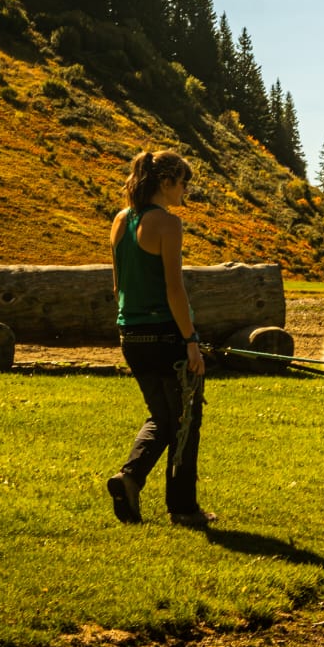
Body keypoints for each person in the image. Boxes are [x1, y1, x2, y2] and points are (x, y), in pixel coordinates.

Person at [105, 149, 215, 527]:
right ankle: (183, 508)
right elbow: (174, 289)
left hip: (131, 335)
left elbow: (118, 285)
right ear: (166, 182)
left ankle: (129, 478)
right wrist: (191, 339)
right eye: (183, 183)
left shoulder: (120, 220)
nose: (185, 190)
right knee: (185, 421)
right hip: (166, 336)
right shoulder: (168, 224)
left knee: (163, 418)